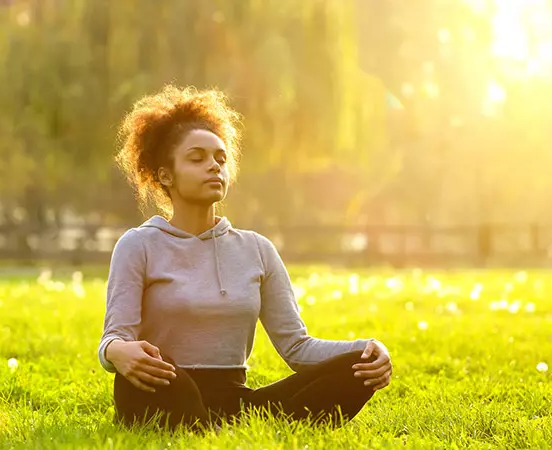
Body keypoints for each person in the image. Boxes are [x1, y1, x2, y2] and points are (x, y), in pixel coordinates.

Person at [98, 84, 392, 432]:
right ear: (165, 175)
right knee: (159, 382)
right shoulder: (138, 245)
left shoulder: (257, 249)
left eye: (220, 159)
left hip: (236, 402)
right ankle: (204, 426)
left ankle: (209, 428)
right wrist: (118, 352)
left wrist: (369, 349)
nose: (214, 167)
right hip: (163, 387)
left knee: (358, 368)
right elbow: (114, 337)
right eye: (197, 158)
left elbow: (297, 347)